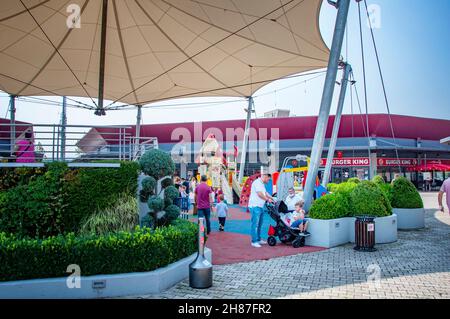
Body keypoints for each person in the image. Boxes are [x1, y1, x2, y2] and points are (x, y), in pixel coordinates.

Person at [248, 172, 274, 248]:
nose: (268, 181)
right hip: (255, 206)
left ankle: (258, 239)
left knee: (259, 224)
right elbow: (260, 194)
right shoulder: (257, 183)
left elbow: (265, 193)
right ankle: (254, 241)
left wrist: (272, 198)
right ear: (265, 177)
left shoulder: (262, 184)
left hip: (260, 206)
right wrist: (267, 200)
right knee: (255, 224)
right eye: (268, 180)